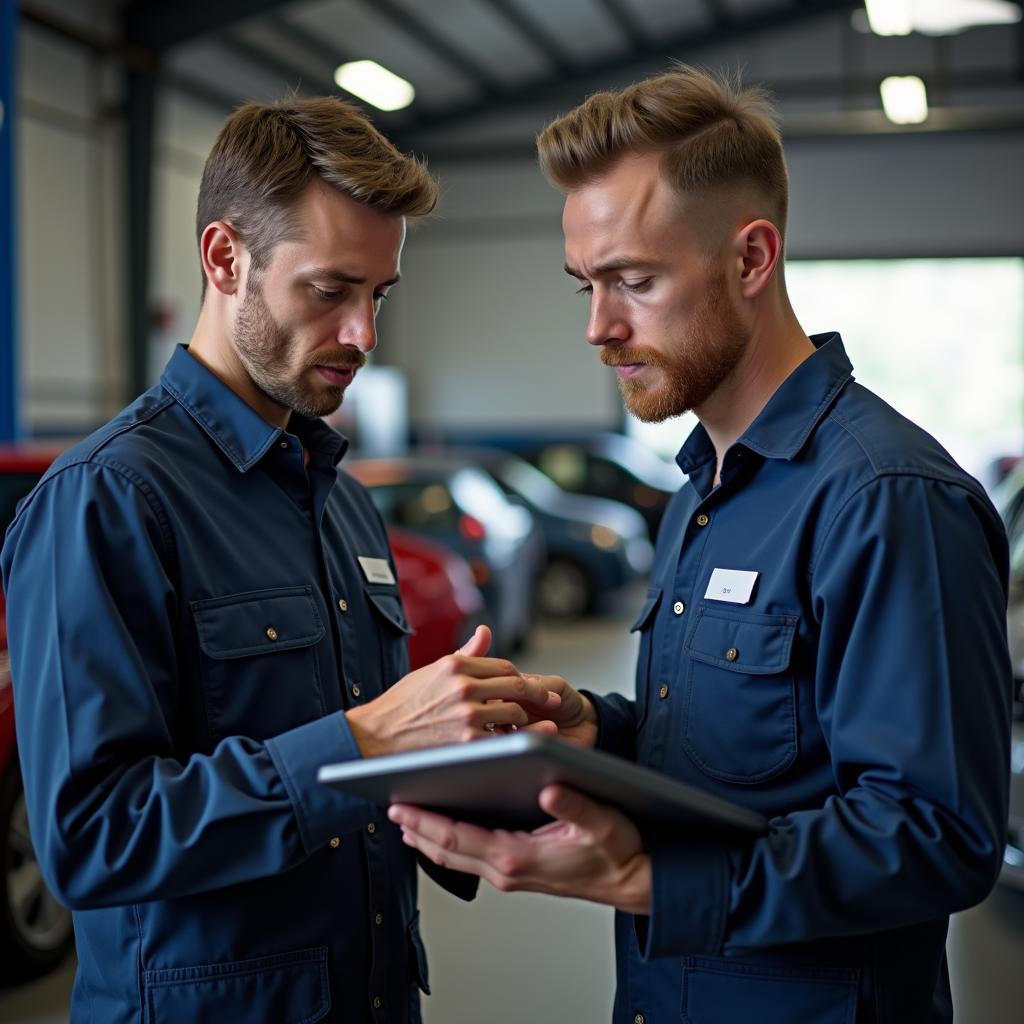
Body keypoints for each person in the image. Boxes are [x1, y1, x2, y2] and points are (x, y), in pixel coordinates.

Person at [389, 67, 1014, 1023]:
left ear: (751, 258)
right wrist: (599, 730)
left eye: (635, 281)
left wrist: (650, 878)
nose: (599, 327)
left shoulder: (887, 501)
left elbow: (934, 837)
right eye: (586, 284)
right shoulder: (701, 494)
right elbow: (753, 757)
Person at [0, 97, 560, 1024]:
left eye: (379, 295)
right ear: (227, 259)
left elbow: (360, 794)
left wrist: (483, 768)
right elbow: (91, 837)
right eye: (331, 290)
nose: (364, 336)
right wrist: (368, 741)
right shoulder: (108, 499)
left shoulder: (340, 502)